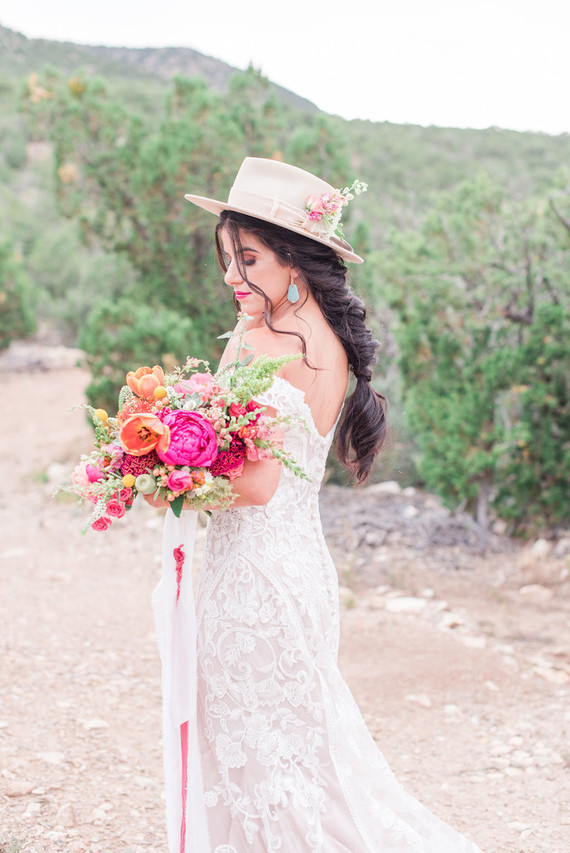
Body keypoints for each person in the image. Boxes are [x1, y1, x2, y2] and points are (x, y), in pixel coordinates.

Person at [152, 158, 484, 852]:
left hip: (264, 583)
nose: (230, 278)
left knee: (279, 761)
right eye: (225, 259)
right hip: (240, 566)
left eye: (247, 259)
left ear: (295, 262)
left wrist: (163, 471)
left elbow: (261, 484)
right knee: (253, 752)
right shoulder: (253, 331)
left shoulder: (305, 348)